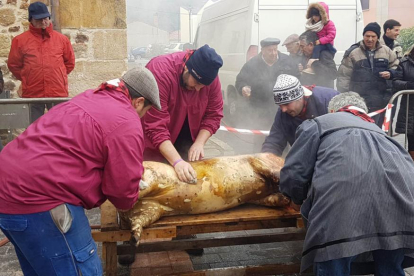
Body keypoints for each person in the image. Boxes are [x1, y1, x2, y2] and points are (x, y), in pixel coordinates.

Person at [0, 67, 161, 275]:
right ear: (138, 102)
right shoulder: (126, 120)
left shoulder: (90, 97)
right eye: (145, 111)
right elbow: (122, 195)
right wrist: (133, 187)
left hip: (6, 187)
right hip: (41, 199)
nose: (142, 117)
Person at [279, 92, 414, 275]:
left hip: (341, 209)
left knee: (333, 257)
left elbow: (295, 171)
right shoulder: (382, 134)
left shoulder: (318, 124)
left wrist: (294, 196)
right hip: (399, 207)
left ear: (333, 111)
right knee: (390, 266)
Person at [143, 44, 223, 183]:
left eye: (203, 86)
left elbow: (213, 115)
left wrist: (199, 143)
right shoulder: (160, 71)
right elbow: (155, 126)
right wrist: (177, 161)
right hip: (153, 146)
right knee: (150, 187)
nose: (198, 89)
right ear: (187, 67)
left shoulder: (210, 78)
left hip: (186, 138)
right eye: (196, 82)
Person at [7, 2, 75, 123]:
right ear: (31, 20)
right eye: (39, 19)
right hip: (32, 92)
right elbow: (14, 65)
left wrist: (58, 75)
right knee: (33, 128)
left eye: (46, 18)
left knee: (59, 126)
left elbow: (69, 63)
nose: (44, 22)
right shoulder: (20, 41)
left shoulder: (62, 40)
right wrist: (28, 76)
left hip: (57, 91)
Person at [337, 22, 399, 127]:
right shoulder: (353, 52)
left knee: (379, 130)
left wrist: (391, 73)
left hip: (380, 99)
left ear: (377, 37)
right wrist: (345, 96)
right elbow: (344, 76)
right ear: (363, 36)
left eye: (373, 36)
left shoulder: (387, 51)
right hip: (359, 100)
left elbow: (396, 66)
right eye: (367, 36)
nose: (370, 39)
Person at [261, 74, 338, 156]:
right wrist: (267, 159)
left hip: (332, 155)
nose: (283, 109)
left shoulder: (329, 100)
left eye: (286, 104)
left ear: (300, 97)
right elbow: (274, 142)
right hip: (303, 158)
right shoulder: (283, 113)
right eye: (280, 105)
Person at [235, 37, 300, 131]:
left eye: (275, 49)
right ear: (262, 51)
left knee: (281, 138)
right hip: (259, 108)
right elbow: (240, 81)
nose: (273, 53)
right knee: (260, 139)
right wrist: (243, 88)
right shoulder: (252, 64)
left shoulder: (287, 61)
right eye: (270, 50)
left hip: (283, 108)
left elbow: (297, 79)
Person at [393, 44, 414, 160]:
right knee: (412, 139)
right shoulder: (405, 62)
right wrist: (409, 86)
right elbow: (396, 82)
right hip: (410, 108)